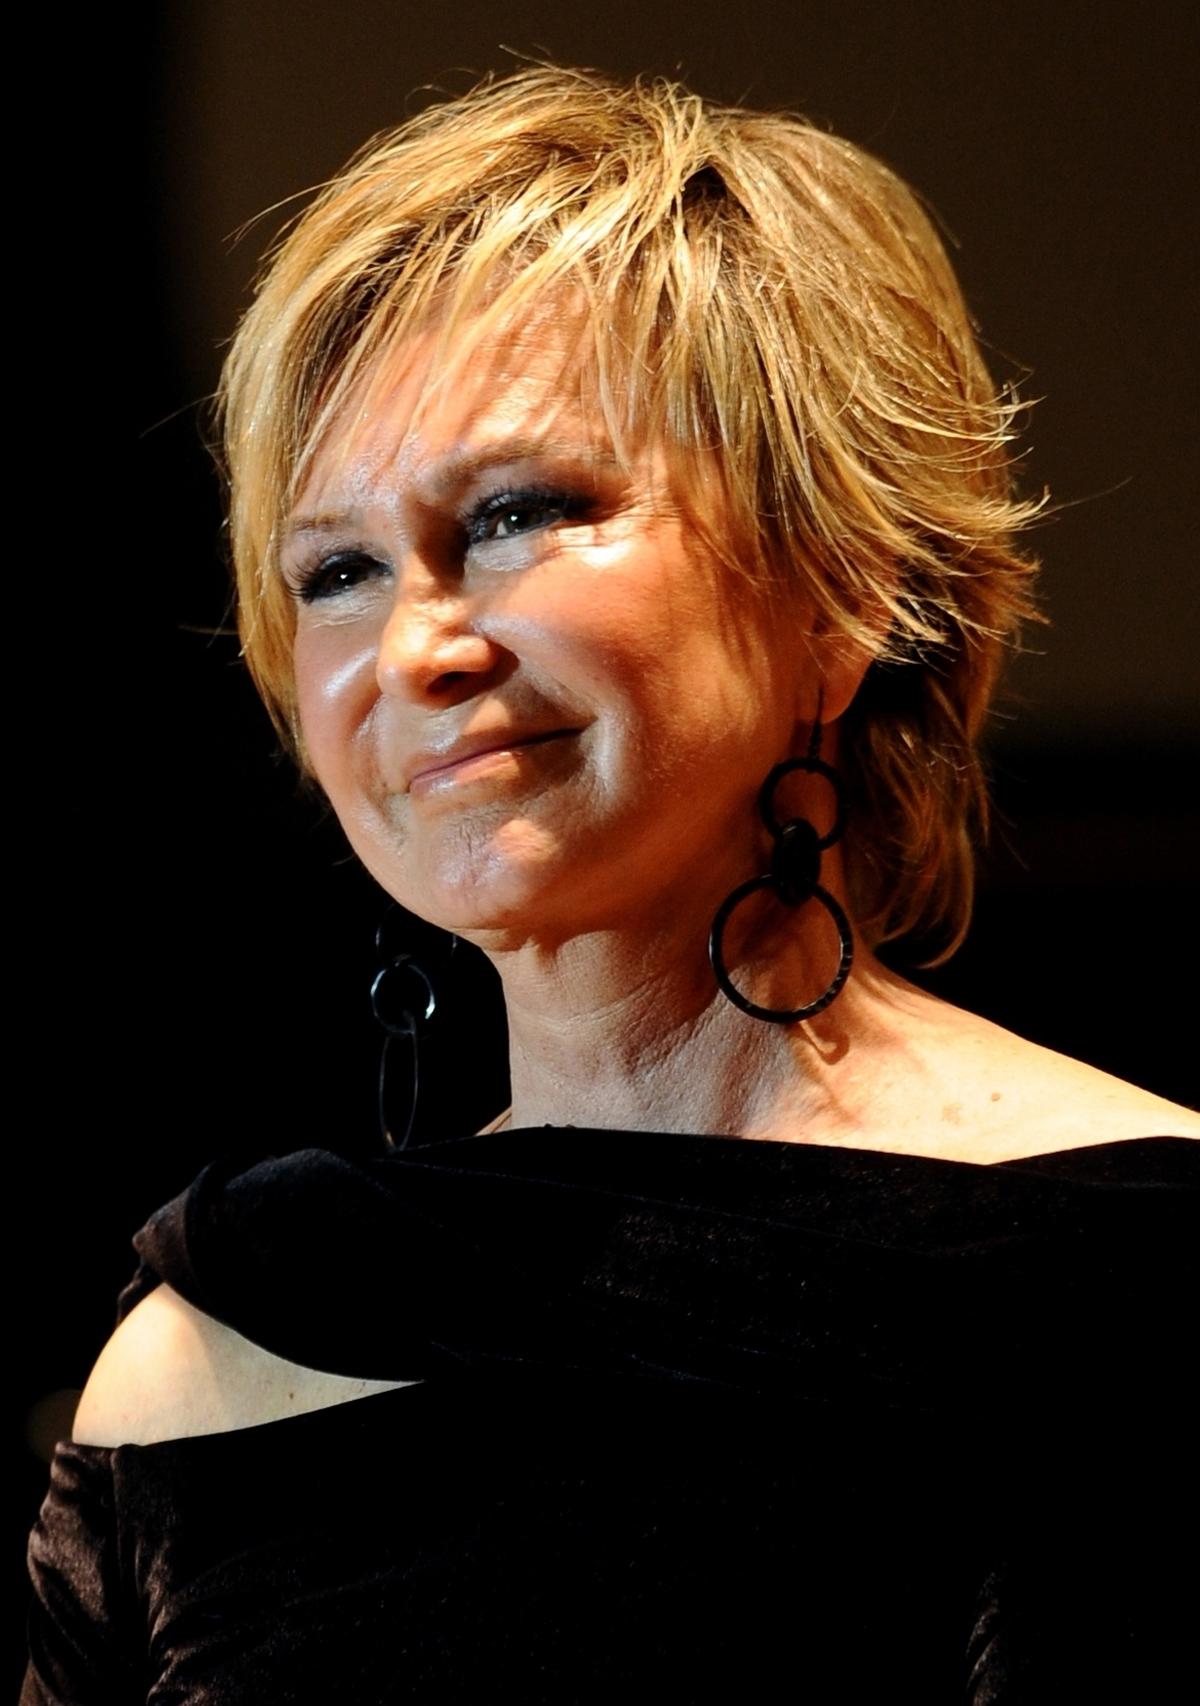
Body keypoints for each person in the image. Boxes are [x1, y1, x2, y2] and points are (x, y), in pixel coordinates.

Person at [25, 66, 1196, 1702]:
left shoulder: (1144, 1277)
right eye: (338, 569)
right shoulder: (210, 1357)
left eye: (518, 513)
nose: (417, 649)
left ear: (842, 588)